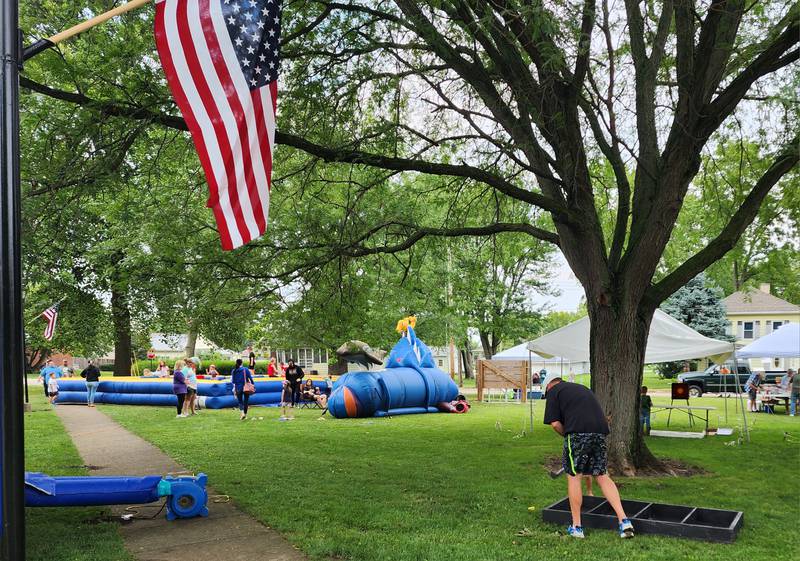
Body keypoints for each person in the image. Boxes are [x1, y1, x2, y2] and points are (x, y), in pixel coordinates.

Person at [543, 377, 634, 539]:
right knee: (602, 475)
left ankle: (577, 527)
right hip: (599, 432)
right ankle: (624, 521)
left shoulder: (553, 391)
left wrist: (568, 436)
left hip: (577, 433)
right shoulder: (581, 388)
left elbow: (556, 424)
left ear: (549, 386)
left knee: (574, 477)